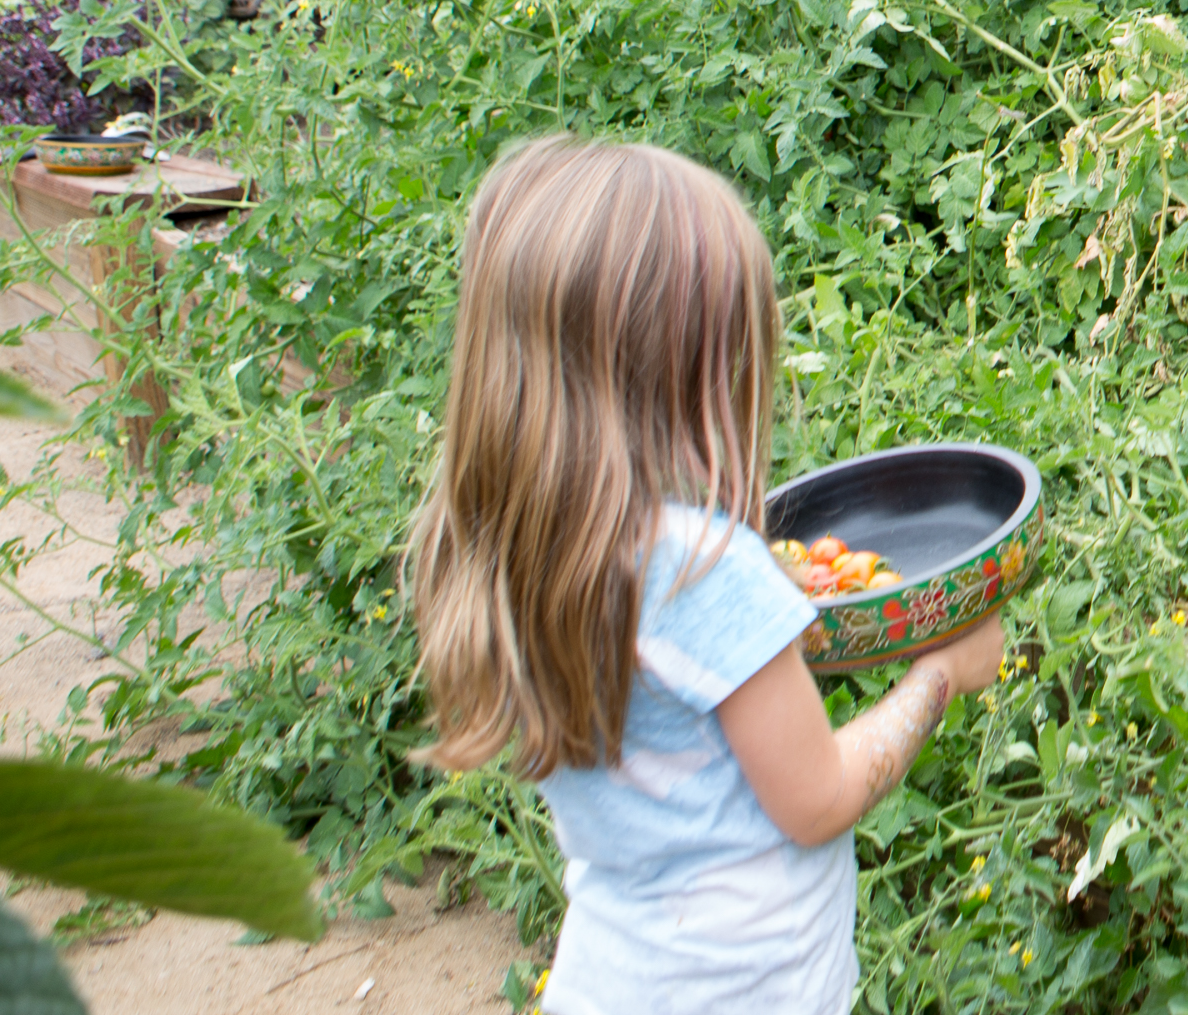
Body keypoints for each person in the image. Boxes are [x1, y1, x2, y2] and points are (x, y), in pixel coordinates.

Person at [403, 136, 1003, 1015]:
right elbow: (819, 798)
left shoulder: (524, 545)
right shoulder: (700, 568)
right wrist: (940, 674)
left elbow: (687, 708)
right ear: (673, 365)